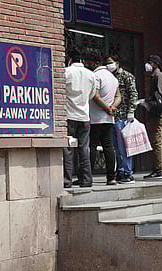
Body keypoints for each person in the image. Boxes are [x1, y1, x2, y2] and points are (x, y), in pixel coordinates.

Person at [63, 49, 98, 188]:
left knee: (68, 149)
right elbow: (91, 95)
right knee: (84, 149)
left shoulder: (66, 72)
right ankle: (86, 180)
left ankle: (67, 180)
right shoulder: (91, 75)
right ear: (81, 60)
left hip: (69, 115)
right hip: (84, 116)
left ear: (69, 58)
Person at [105, 56, 139, 183]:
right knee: (116, 147)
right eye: (107, 63)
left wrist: (131, 111)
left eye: (110, 63)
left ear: (117, 63)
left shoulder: (126, 76)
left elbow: (133, 94)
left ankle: (127, 172)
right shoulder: (108, 77)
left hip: (123, 115)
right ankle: (120, 170)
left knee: (124, 146)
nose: (108, 65)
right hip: (111, 116)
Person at [89, 57, 121, 186]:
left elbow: (95, 96)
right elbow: (118, 96)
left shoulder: (95, 76)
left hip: (96, 118)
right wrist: (113, 107)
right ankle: (111, 177)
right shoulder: (113, 78)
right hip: (109, 119)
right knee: (108, 147)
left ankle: (87, 176)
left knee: (92, 147)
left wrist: (107, 108)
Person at [143, 55, 162, 179]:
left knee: (157, 142)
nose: (147, 65)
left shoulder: (157, 76)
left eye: (150, 62)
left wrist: (148, 102)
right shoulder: (157, 76)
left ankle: (158, 169)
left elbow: (160, 97)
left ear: (155, 63)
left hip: (158, 114)